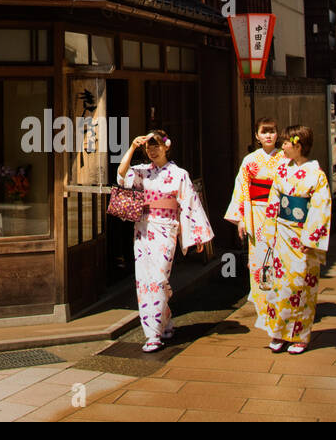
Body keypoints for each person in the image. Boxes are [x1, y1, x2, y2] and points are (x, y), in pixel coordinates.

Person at [117, 129, 215, 351]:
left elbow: (190, 204)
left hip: (166, 229)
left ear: (166, 146)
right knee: (144, 280)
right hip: (143, 228)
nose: (152, 150)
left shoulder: (179, 174)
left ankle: (162, 321)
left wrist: (197, 235)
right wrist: (132, 148)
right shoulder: (142, 171)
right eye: (148, 147)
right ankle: (154, 333)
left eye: (156, 146)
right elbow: (121, 176)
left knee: (159, 279)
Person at [260, 124, 332, 354]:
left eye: (286, 143)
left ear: (298, 146)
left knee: (301, 284)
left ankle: (300, 334)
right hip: (282, 231)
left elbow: (320, 208)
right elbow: (273, 201)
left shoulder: (316, 175)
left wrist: (311, 238)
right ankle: (278, 332)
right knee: (280, 285)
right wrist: (269, 231)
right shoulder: (282, 170)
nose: (283, 147)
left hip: (302, 236)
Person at [224, 118, 283, 330]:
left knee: (279, 259)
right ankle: (263, 310)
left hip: (279, 215)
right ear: (256, 136)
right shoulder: (250, 161)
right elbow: (242, 190)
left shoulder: (285, 159)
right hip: (256, 214)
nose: (268, 136)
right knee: (258, 261)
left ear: (278, 134)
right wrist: (241, 219)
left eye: (272, 131)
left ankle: (279, 307)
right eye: (264, 132)